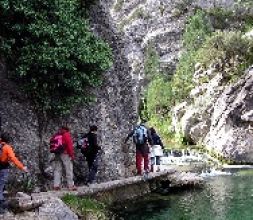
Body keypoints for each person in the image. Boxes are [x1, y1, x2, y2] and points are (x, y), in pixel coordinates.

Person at [0, 132, 28, 214]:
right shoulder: (7, 147)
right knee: (1, 185)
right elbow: (13, 158)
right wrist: (22, 167)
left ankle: (2, 201)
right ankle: (1, 206)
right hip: (3, 168)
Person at [53, 126, 76, 191]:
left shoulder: (57, 134)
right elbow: (69, 146)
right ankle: (71, 185)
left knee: (57, 169)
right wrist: (72, 155)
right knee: (68, 169)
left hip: (57, 154)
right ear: (67, 129)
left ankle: (56, 185)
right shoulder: (66, 134)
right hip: (65, 154)